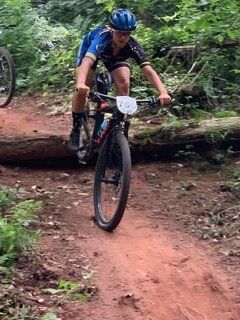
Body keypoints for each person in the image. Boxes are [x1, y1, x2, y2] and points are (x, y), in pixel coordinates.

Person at [68, 8, 171, 151]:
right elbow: (87, 62)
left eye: (127, 33)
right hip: (91, 51)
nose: (123, 37)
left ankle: (118, 124)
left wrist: (163, 92)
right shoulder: (101, 39)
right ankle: (76, 127)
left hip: (115, 56)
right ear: (111, 30)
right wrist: (80, 84)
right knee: (83, 85)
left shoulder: (132, 45)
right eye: (120, 33)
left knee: (124, 83)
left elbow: (149, 71)